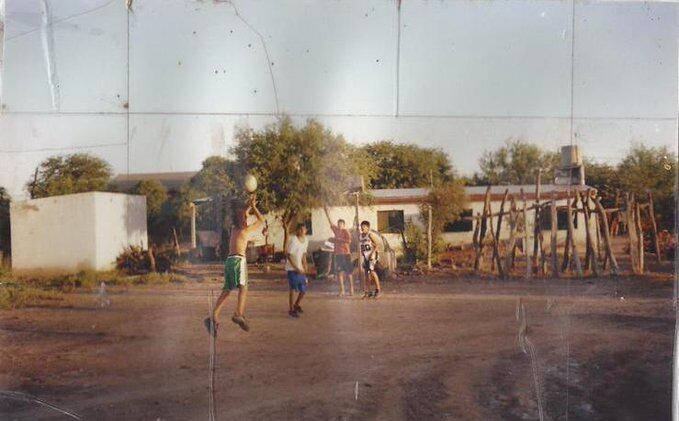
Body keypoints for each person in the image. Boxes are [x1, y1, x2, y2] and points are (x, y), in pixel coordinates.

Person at [204, 196, 264, 336]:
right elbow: (261, 220)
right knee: (244, 287)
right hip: (238, 260)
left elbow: (242, 215)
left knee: (227, 290)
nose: (247, 218)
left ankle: (213, 316)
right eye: (246, 218)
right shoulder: (245, 231)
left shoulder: (234, 229)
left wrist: (249, 206)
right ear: (243, 220)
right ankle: (238, 313)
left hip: (229, 261)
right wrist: (254, 207)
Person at [323, 205, 354, 296]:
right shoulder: (336, 230)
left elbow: (349, 241)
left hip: (346, 254)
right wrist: (326, 212)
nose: (340, 225)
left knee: (348, 273)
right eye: (339, 224)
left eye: (341, 224)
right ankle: (342, 290)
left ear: (344, 225)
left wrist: (337, 240)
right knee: (340, 273)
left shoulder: (346, 231)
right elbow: (330, 222)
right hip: (338, 254)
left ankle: (351, 289)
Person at [286, 223, 309, 317]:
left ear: (305, 230)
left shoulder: (306, 240)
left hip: (300, 268)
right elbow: (288, 255)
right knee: (292, 289)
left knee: (303, 289)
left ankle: (296, 304)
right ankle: (291, 309)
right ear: (297, 230)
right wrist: (295, 267)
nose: (301, 231)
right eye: (299, 229)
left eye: (303, 229)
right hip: (292, 268)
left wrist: (305, 265)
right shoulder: (293, 240)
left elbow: (304, 254)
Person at [359, 220, 381, 299]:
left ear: (368, 228)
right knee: (366, 274)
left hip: (372, 256)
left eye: (364, 227)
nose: (363, 228)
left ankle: (378, 290)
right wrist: (362, 253)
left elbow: (378, 245)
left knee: (372, 272)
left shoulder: (370, 235)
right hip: (366, 256)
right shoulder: (361, 236)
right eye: (362, 226)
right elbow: (362, 246)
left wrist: (373, 253)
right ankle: (368, 291)